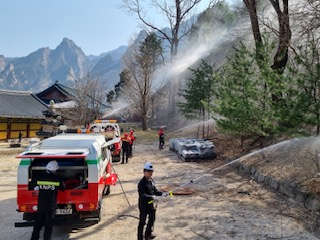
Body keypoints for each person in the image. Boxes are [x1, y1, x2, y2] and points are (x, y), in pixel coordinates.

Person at [30, 160, 65, 240]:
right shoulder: (57, 179)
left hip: (41, 205)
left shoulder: (39, 178)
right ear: (56, 169)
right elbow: (63, 188)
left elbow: (32, 184)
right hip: (51, 206)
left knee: (37, 225)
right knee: (48, 226)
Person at [137, 162, 167, 240]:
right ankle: (140, 238)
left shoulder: (151, 181)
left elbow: (155, 191)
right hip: (144, 206)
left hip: (151, 204)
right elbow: (142, 195)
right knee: (142, 222)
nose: (150, 173)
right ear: (144, 172)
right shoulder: (141, 183)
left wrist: (162, 194)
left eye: (151, 171)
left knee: (152, 219)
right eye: (149, 171)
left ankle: (148, 234)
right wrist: (152, 197)